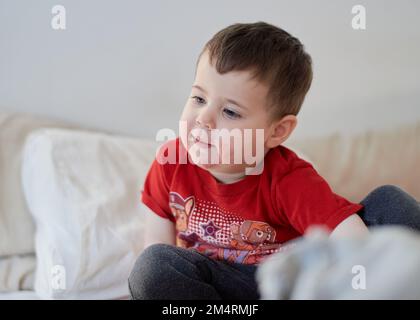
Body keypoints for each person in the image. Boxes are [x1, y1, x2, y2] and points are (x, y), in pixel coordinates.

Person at [128, 22, 420, 299]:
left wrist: (355, 276)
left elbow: (346, 232)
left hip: (290, 283)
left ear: (277, 131)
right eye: (199, 99)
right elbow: (158, 241)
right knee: (153, 266)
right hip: (222, 288)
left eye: (230, 112)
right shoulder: (170, 161)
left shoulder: (288, 177)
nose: (203, 119)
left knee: (391, 203)